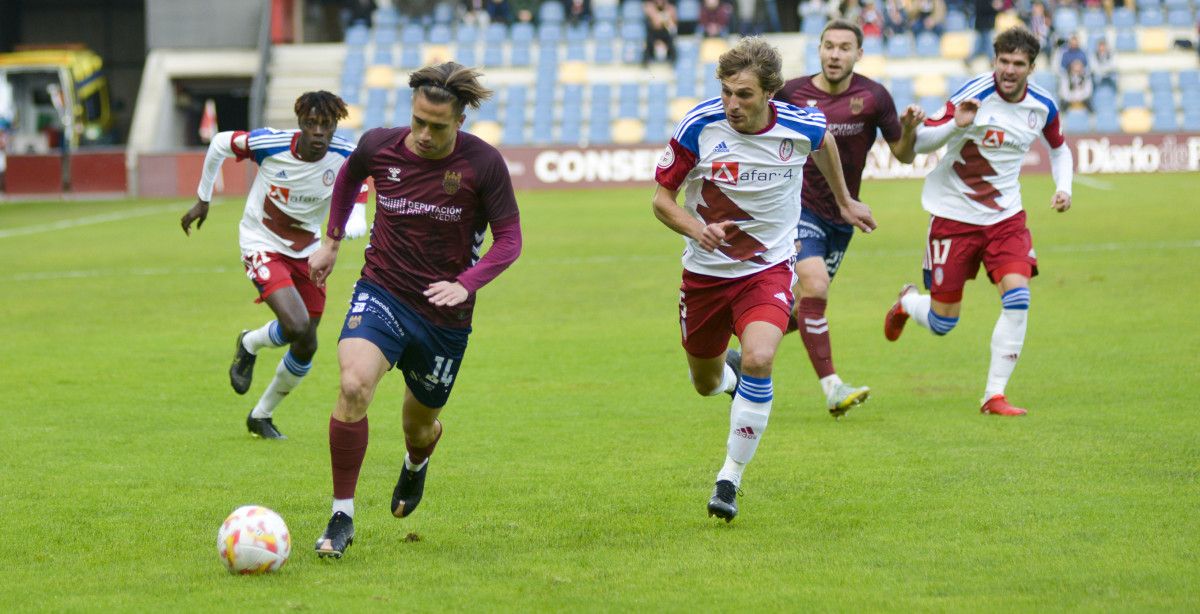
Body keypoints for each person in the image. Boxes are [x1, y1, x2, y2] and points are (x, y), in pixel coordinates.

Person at [653, 37, 876, 522]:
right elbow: (661, 201)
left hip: (768, 269)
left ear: (769, 93)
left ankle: (728, 480)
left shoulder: (801, 124)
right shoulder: (699, 126)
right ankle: (728, 377)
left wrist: (843, 200)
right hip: (705, 275)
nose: (733, 104)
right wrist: (698, 229)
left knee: (760, 356)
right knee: (706, 383)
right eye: (728, 91)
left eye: (745, 95)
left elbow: (825, 145)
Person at [310, 62, 522, 558]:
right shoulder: (379, 145)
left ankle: (417, 459)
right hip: (382, 290)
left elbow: (509, 240)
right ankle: (342, 514)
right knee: (353, 383)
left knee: (419, 425)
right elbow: (349, 178)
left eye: (438, 126)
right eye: (418, 122)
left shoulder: (483, 165)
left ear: (460, 121)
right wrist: (332, 241)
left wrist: (466, 284)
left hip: (444, 318)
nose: (424, 135)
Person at [883, 26, 1073, 417]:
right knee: (942, 323)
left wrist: (1064, 187)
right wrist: (958, 124)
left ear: (1031, 67)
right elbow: (921, 144)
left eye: (1018, 64)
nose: (1009, 69)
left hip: (1006, 218)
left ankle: (993, 395)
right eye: (1003, 61)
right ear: (995, 60)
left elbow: (1059, 148)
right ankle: (907, 304)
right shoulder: (973, 95)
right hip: (954, 217)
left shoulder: (1042, 105)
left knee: (1018, 298)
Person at [180, 91, 367, 440]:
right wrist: (203, 200)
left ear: (334, 127)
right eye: (311, 124)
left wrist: (355, 216)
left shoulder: (346, 154)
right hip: (261, 242)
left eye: (326, 125)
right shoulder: (270, 143)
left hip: (308, 250)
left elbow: (359, 185)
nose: (318, 133)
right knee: (296, 324)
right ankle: (250, 342)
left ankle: (261, 415)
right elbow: (221, 142)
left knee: (307, 343)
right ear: (300, 124)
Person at [774, 20, 924, 417]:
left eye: (844, 48)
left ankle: (740, 357)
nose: (834, 55)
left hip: (843, 217)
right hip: (797, 208)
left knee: (801, 308)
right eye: (828, 46)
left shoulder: (874, 97)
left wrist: (908, 131)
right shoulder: (791, 92)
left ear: (859, 54)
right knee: (816, 288)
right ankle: (833, 389)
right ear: (818, 49)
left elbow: (904, 156)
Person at [643, 0, 679, 65]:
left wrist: (664, 18)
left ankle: (672, 63)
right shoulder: (650, 6)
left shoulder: (670, 7)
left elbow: (673, 25)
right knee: (648, 42)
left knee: (672, 41)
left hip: (665, 33)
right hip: (654, 33)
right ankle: (646, 63)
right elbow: (656, 23)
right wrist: (665, 18)